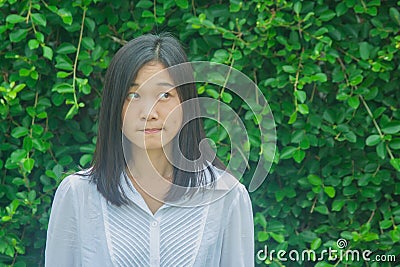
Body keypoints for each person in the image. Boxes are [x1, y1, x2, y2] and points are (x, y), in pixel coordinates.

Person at [45, 33, 254, 266]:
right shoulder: (78, 194)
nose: (149, 113)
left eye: (165, 95)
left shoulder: (226, 196)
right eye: (133, 95)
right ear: (116, 106)